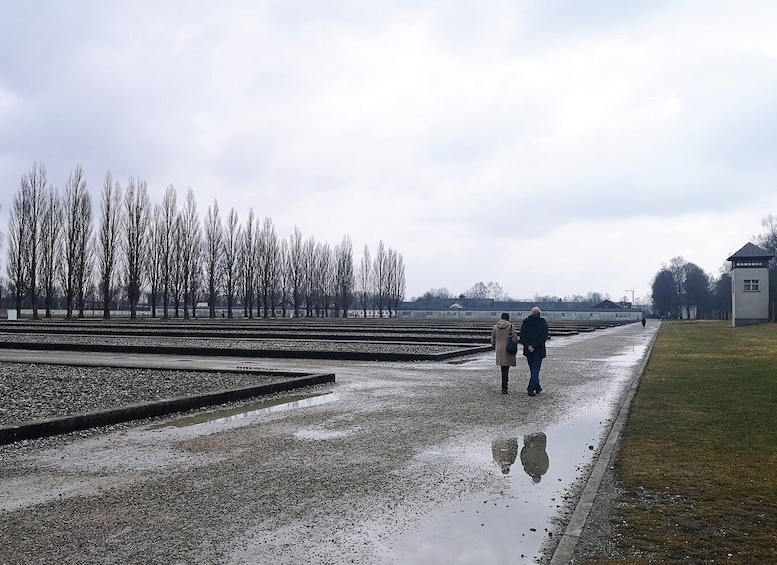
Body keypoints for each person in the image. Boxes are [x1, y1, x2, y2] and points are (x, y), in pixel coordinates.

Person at [519, 306, 549, 396]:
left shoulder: (526, 322)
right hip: (539, 350)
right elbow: (544, 337)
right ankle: (531, 388)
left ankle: (537, 387)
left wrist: (528, 345)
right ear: (539, 314)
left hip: (528, 350)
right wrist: (534, 345)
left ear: (531, 313)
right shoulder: (543, 323)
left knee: (533, 369)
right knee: (535, 370)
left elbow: (522, 336)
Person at [491, 312, 518, 394]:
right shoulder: (511, 326)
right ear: (508, 318)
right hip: (508, 349)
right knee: (506, 368)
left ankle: (504, 387)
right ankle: (505, 386)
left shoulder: (495, 327)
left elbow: (493, 339)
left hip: (499, 349)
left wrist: (494, 346)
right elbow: (514, 339)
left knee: (503, 368)